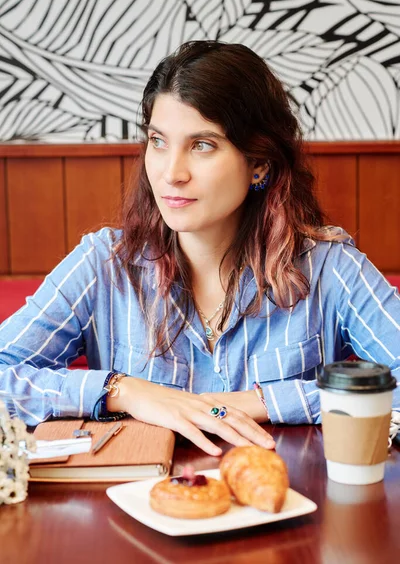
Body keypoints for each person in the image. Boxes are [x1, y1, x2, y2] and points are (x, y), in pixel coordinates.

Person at [0, 41, 399, 457]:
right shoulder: (103, 264)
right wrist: (127, 391)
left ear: (259, 164)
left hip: (292, 509)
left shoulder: (327, 267)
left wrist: (263, 402)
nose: (171, 173)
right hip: (136, 514)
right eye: (158, 141)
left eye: (202, 145)